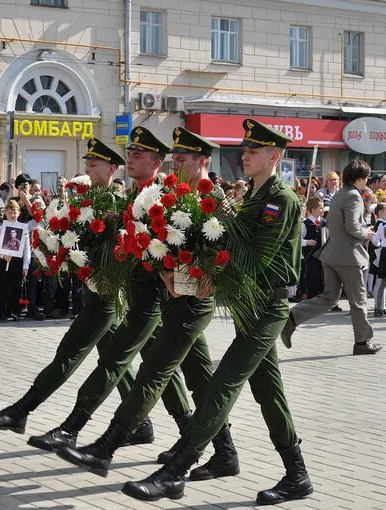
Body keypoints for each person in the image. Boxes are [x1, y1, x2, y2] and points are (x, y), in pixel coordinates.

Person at [123, 119, 311, 505]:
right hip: (250, 304)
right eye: (244, 149)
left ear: (274, 156)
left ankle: (177, 469)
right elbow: (231, 249)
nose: (244, 155)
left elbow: (256, 260)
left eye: (253, 151)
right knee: (268, 391)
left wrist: (217, 246)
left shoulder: (280, 201)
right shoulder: (254, 198)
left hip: (267, 305)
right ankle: (297, 474)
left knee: (225, 382)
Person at [55, 127, 239, 482]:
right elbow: (159, 243)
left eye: (183, 159)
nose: (177, 163)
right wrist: (163, 268)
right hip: (173, 299)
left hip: (195, 303)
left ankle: (106, 446)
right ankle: (225, 453)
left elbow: (227, 256)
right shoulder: (172, 195)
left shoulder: (218, 200)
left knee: (154, 373)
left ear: (203, 160)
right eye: (176, 158)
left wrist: (204, 273)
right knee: (201, 379)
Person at [0, 137, 152, 448]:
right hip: (91, 288)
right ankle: (143, 426)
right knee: (115, 360)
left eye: (94, 163)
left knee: (70, 352)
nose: (87, 166)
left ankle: (23, 410)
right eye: (87, 162)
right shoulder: (86, 199)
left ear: (111, 168)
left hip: (107, 294)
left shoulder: (116, 201)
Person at [281, 160, 382, 355]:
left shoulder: (339, 194)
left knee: (329, 297)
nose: (367, 181)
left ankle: (292, 318)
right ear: (360, 178)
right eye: (366, 178)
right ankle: (362, 342)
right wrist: (366, 233)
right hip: (348, 256)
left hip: (331, 253)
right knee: (359, 300)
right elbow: (353, 227)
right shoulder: (353, 196)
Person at [0, 200, 30, 322]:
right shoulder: (1, 228)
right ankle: (3, 313)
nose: (12, 215)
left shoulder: (23, 229)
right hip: (4, 261)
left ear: (19, 213)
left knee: (16, 288)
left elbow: (26, 248)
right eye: (10, 212)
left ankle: (16, 311)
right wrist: (3, 256)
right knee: (2, 287)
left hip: (17, 261)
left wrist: (25, 265)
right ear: (5, 213)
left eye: (14, 212)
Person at [298, 197, 325, 300]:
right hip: (310, 256)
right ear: (313, 210)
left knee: (323, 278)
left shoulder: (324, 223)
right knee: (312, 277)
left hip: (323, 256)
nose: (322, 210)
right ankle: (311, 298)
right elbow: (297, 240)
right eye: (320, 208)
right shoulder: (304, 224)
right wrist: (307, 242)